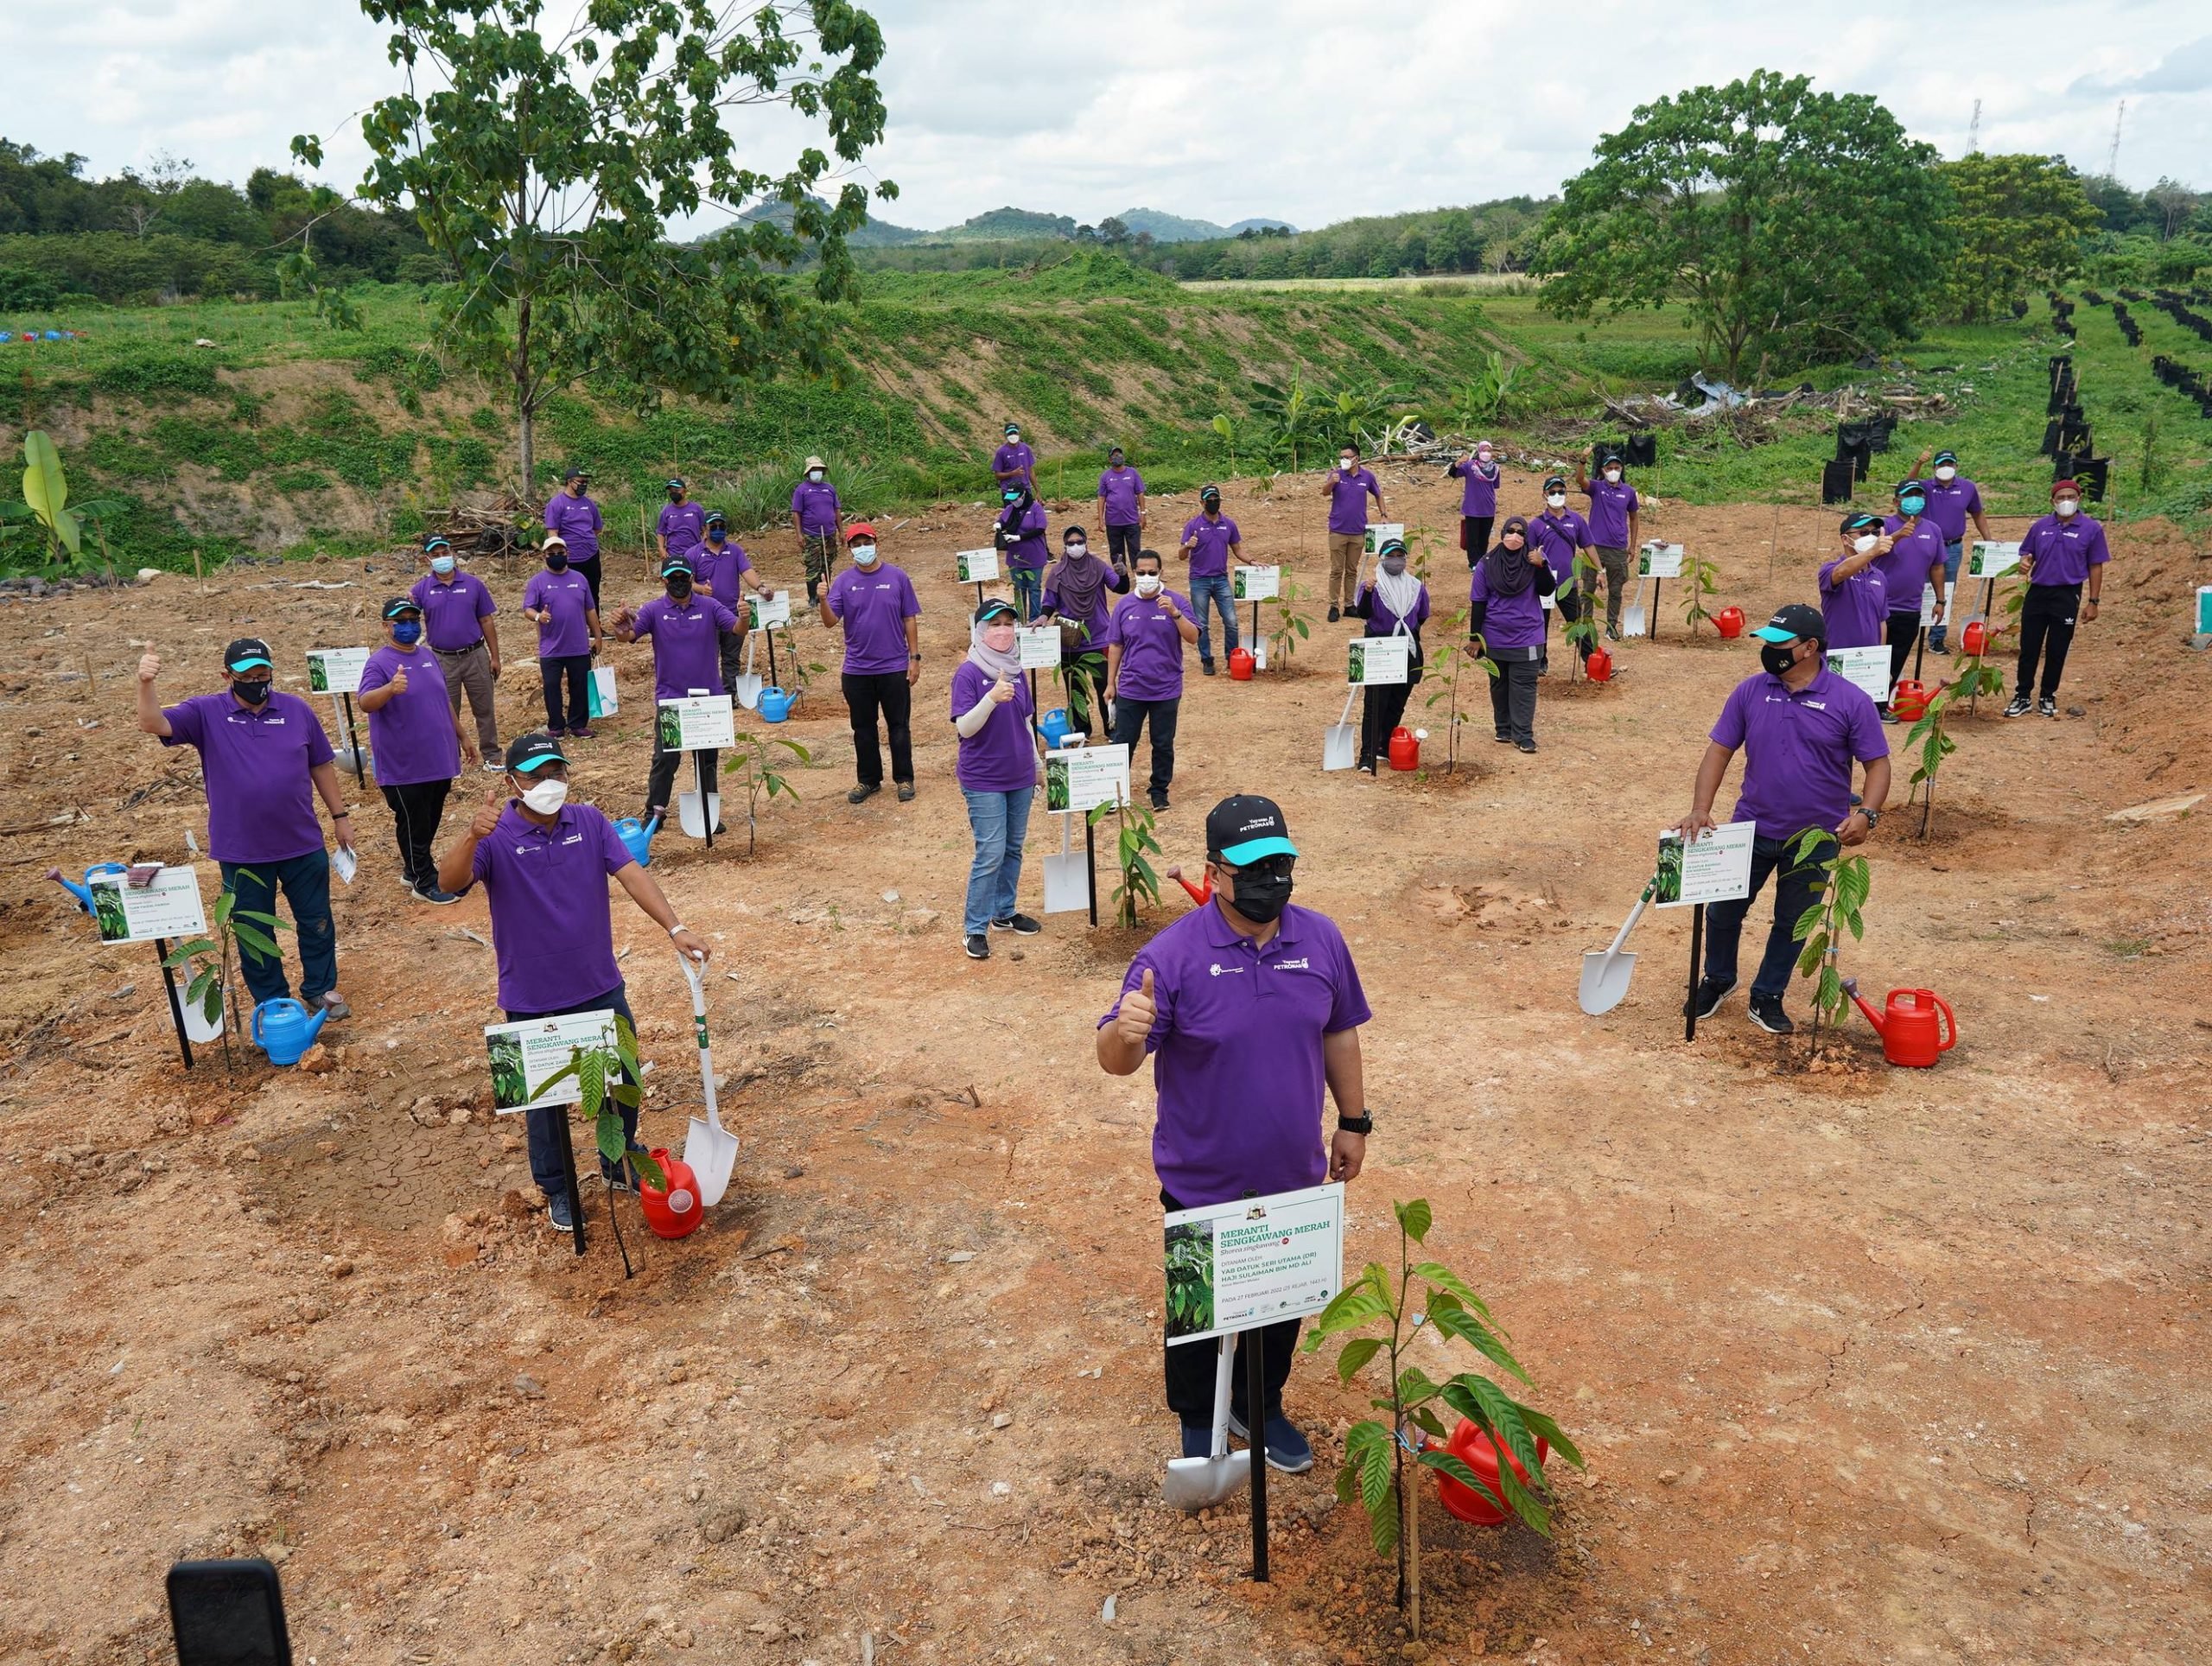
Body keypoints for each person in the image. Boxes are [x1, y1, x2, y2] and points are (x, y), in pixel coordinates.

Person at [1096, 793, 1372, 1472]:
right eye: (1252, 866)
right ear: (1214, 872)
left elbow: (1339, 1031)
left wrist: (1354, 1121)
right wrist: (1123, 1033)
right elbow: (1118, 1061)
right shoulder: (1171, 957)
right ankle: (1199, 1419)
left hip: (1292, 1169)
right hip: (1202, 1176)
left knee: (1280, 1303)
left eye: (1280, 862)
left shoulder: (1321, 939)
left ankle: (1261, 1402)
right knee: (1199, 1310)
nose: (1269, 878)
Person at [436, 733, 712, 1230]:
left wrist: (675, 927)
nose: (549, 784)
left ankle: (619, 1158)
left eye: (556, 773)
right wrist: (471, 835)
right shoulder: (495, 836)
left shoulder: (588, 821)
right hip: (530, 995)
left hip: (598, 984)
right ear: (513, 782)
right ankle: (558, 1187)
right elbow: (449, 882)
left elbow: (632, 873)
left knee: (622, 1081)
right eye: (537, 776)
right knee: (544, 1104)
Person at [1678, 603, 1891, 1035]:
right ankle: (1718, 979)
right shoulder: (1750, 691)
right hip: (1749, 828)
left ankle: (1768, 994)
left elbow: (1878, 765)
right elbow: (1719, 750)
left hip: (1816, 838)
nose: (1769, 651)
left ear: (1811, 648)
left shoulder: (1851, 701)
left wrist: (1867, 813)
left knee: (1793, 923)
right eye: (1767, 642)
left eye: (1780, 644)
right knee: (1722, 912)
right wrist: (1701, 807)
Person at [135, 637, 356, 1021]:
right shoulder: (206, 713)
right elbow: (152, 722)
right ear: (228, 676)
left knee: (316, 920)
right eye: (247, 675)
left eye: (263, 673)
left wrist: (340, 817)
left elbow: (320, 763)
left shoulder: (297, 710)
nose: (257, 680)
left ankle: (320, 989)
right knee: (253, 930)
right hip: (242, 850)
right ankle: (272, 1000)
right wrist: (146, 683)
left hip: (301, 841)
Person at [358, 597, 474, 903]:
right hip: (403, 764)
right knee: (412, 820)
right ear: (386, 627)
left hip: (438, 757)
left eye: (413, 620)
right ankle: (424, 880)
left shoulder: (428, 656)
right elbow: (365, 701)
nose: (409, 626)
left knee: (430, 817)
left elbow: (443, 700)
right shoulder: (379, 663)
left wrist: (463, 736)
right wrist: (390, 689)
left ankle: (412, 869)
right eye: (401, 622)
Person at [609, 555, 737, 826]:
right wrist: (620, 628)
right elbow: (629, 635)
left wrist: (746, 617)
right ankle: (654, 813)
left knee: (707, 759)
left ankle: (708, 814)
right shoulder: (654, 610)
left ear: (692, 579)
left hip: (708, 699)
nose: (679, 582)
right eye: (673, 578)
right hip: (672, 699)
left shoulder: (710, 606)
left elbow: (736, 628)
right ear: (664, 580)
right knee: (666, 759)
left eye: (684, 577)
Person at [951, 598, 1046, 960]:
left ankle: (1004, 912)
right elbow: (965, 727)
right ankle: (975, 927)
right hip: (984, 778)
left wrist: (1037, 765)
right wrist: (991, 698)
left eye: (1008, 624)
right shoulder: (970, 673)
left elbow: (1025, 721)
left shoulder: (1017, 669)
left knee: (1012, 848)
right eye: (994, 625)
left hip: (1019, 774)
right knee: (990, 852)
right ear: (980, 631)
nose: (1003, 631)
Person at [819, 523, 922, 804]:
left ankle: (904, 778)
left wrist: (914, 658)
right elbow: (830, 622)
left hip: (893, 667)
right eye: (856, 544)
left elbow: (909, 618)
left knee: (898, 726)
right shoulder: (842, 581)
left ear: (876, 543)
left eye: (867, 542)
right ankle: (868, 780)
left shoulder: (897, 577)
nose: (862, 548)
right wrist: (821, 599)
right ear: (849, 548)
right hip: (857, 671)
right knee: (863, 729)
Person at [2006, 478, 2108, 719]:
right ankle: (2022, 696)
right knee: (2029, 647)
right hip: (2038, 592)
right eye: (2061, 498)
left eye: (2070, 497)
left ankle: (2047, 695)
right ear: (2052, 501)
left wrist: (2093, 601)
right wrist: (2025, 562)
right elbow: (2027, 553)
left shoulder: (2091, 529)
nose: (2066, 502)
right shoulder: (2040, 526)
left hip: (2067, 593)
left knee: (2057, 648)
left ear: (2078, 499)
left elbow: (2096, 566)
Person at [1106, 550, 1198, 811]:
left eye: (1152, 572)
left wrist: (1176, 614)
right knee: (1123, 742)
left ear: (1161, 573)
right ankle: (1116, 792)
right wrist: (1110, 682)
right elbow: (1115, 645)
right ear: (1134, 573)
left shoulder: (1176, 601)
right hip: (1131, 689)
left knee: (1162, 743)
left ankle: (1159, 791)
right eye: (1141, 572)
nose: (1146, 577)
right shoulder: (1124, 606)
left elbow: (1193, 638)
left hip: (1166, 689)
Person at [410, 537, 504, 769]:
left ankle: (491, 756)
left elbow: (486, 620)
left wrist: (495, 656)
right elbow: (409, 618)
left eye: (445, 552)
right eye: (436, 554)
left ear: (452, 553)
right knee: (446, 711)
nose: (442, 558)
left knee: (484, 708)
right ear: (427, 559)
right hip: (442, 659)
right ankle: (451, 761)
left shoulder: (473, 585)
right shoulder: (422, 589)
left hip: (475, 655)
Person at [1466, 517, 1555, 754]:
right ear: (1502, 532)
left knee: (1524, 686)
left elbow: (1548, 590)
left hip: (1528, 635)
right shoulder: (1486, 564)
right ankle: (1503, 728)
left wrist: (1541, 565)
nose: (1515, 536)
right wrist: (1475, 638)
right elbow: (1478, 603)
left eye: (1520, 532)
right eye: (1511, 531)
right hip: (1494, 636)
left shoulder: (1534, 559)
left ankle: (1523, 734)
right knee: (1498, 684)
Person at [1346, 536, 1428, 775]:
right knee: (1374, 702)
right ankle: (1367, 754)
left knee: (1397, 700)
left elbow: (1422, 616)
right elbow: (1364, 614)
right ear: (1382, 559)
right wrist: (1370, 593)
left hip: (1407, 647)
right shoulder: (1372, 585)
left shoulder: (1415, 587)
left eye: (1400, 556)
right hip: (1379, 647)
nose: (1395, 561)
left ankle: (1385, 745)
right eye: (1390, 556)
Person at [1040, 525, 1129, 734]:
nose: (1075, 546)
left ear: (1086, 543)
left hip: (1098, 637)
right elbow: (1050, 601)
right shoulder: (1058, 572)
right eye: (1071, 543)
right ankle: (1082, 730)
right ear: (1064, 546)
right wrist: (1043, 616)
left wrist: (1123, 574)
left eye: (1079, 542)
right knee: (1075, 689)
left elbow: (1120, 588)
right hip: (1070, 641)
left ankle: (1112, 729)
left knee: (1104, 686)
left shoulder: (1098, 566)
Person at [1911, 448, 1994, 653]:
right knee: (1916, 587)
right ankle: (1910, 631)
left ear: (1956, 466)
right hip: (1923, 545)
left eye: (1949, 464)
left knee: (1945, 590)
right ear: (1934, 468)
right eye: (1941, 464)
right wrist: (1918, 464)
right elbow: (1907, 486)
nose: (1945, 468)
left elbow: (1977, 514)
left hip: (1952, 547)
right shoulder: (1926, 487)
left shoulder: (1967, 488)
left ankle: (1937, 638)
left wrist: (1989, 540)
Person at [1877, 479, 1949, 709]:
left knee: (1896, 660)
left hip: (1910, 608)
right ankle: (1866, 706)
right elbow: (1872, 552)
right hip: (1880, 607)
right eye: (1908, 496)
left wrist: (1940, 600)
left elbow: (1937, 567)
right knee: (1875, 658)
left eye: (1918, 495)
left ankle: (1880, 705)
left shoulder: (1933, 530)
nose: (1914, 500)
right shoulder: (1883, 526)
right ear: (1896, 500)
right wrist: (1898, 535)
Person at [521, 536, 602, 739]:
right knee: (551, 686)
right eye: (552, 554)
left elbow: (590, 610)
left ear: (567, 554)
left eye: (560, 553)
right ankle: (556, 726)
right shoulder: (537, 582)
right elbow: (527, 609)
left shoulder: (579, 579)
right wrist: (540, 616)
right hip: (551, 647)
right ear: (544, 556)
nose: (556, 556)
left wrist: (598, 636)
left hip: (578, 645)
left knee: (580, 685)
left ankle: (578, 724)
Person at [694, 512, 768, 699]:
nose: (718, 530)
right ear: (705, 529)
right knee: (707, 657)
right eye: (714, 526)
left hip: (731, 614)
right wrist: (701, 589)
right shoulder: (693, 553)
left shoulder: (735, 551)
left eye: (722, 526)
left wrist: (760, 587)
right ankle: (711, 695)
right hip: (706, 615)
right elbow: (687, 582)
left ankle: (729, 695)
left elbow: (747, 571)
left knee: (731, 657)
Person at [1573, 451, 1641, 641]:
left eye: (1616, 468)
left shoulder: (1628, 492)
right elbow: (1580, 479)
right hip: (1594, 547)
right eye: (1609, 468)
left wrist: (1633, 545)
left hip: (1618, 548)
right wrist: (1583, 460)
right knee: (1588, 588)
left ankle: (1611, 626)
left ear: (1621, 469)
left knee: (1616, 590)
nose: (1613, 471)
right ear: (1603, 470)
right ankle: (1586, 625)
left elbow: (1634, 518)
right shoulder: (1596, 488)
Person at [1529, 476, 1595, 664]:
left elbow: (1588, 546)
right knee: (1540, 624)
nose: (1557, 495)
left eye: (1561, 491)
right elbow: (1529, 553)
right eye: (1552, 492)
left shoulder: (1576, 520)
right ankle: (1539, 662)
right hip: (1544, 583)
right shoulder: (1536, 524)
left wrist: (1600, 571)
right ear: (1544, 495)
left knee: (1577, 623)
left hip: (1568, 582)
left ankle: (1590, 661)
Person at [1178, 485, 1241, 675]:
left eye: (1216, 499)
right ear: (1202, 502)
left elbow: (1237, 549)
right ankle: (1207, 659)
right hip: (1199, 580)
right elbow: (1181, 555)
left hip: (1221, 579)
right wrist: (1188, 546)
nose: (1214, 502)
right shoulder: (1193, 525)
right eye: (1209, 500)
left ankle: (1232, 657)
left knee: (1231, 621)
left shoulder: (1228, 524)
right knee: (1202, 623)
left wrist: (1253, 561)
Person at [1321, 446, 1384, 622]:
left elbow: (1378, 495)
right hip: (1337, 530)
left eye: (1347, 457)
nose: (1344, 460)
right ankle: (1333, 606)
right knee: (1336, 570)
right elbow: (1324, 492)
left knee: (1351, 570)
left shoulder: (1367, 477)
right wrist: (1331, 482)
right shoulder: (1337, 474)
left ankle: (1349, 605)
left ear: (1357, 458)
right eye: (1342, 457)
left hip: (1358, 531)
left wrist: (1383, 515)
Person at [1817, 513, 1891, 651]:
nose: (1871, 537)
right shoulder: (1829, 570)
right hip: (1837, 658)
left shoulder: (1879, 577)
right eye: (1864, 532)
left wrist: (1881, 657)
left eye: (1874, 533)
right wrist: (1873, 552)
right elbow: (1841, 573)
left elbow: (1881, 621)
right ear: (1846, 539)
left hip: (1869, 661)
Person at [543, 467, 606, 605]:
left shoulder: (589, 504)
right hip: (570, 559)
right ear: (569, 482)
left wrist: (585, 539)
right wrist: (559, 554)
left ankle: (595, 625)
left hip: (591, 555)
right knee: (571, 595)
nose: (584, 485)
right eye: (581, 481)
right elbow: (553, 532)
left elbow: (597, 528)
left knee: (592, 592)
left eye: (586, 482)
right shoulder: (556, 504)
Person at [791, 455, 843, 606]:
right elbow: (796, 513)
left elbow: (837, 510)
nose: (817, 472)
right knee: (813, 565)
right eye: (814, 470)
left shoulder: (829, 489)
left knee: (827, 563)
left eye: (819, 469)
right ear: (808, 472)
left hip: (829, 533)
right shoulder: (801, 490)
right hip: (811, 534)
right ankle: (813, 596)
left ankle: (825, 594)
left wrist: (841, 532)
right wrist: (799, 535)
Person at [993, 484, 1050, 621]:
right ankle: (1020, 618)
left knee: (1034, 588)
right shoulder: (1010, 509)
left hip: (1034, 556)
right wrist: (998, 525)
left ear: (1023, 495)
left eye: (1016, 498)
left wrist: (1019, 538)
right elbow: (1002, 520)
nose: (1013, 501)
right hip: (1015, 557)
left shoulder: (1036, 508)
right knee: (1018, 589)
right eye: (1011, 499)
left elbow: (1040, 528)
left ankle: (1034, 619)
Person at [1446, 441, 1500, 569]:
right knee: (1472, 539)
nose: (1486, 453)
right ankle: (1473, 564)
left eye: (1489, 450)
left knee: (1484, 538)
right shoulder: (1470, 467)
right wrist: (1458, 462)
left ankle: (1482, 562)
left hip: (1488, 508)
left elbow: (1495, 486)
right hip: (1472, 509)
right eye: (1484, 450)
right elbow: (1453, 473)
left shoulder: (1495, 469)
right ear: (1478, 451)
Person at [1096, 445, 1147, 569]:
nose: (1117, 457)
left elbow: (1140, 493)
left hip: (1132, 521)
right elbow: (1101, 498)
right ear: (1110, 459)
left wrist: (1143, 514)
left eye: (1119, 454)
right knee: (1116, 553)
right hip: (1113, 522)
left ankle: (1138, 574)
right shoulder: (1106, 476)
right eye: (1114, 455)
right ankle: (1121, 579)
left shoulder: (1133, 473)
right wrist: (1100, 519)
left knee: (1135, 550)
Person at [656, 478, 705, 567]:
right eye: (671, 491)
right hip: (673, 554)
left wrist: (703, 547)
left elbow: (706, 529)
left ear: (685, 491)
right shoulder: (666, 511)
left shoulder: (696, 509)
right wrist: (661, 549)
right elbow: (661, 532)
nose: (674, 493)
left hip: (694, 552)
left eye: (677, 490)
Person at [992, 423, 1036, 493]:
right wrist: (1012, 473)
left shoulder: (1026, 448)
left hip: (1025, 489)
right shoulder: (1001, 452)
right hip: (1009, 491)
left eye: (1015, 432)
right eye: (1010, 433)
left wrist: (1038, 491)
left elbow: (1031, 471)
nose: (1013, 435)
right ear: (1006, 435)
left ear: (1018, 433)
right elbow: (997, 475)